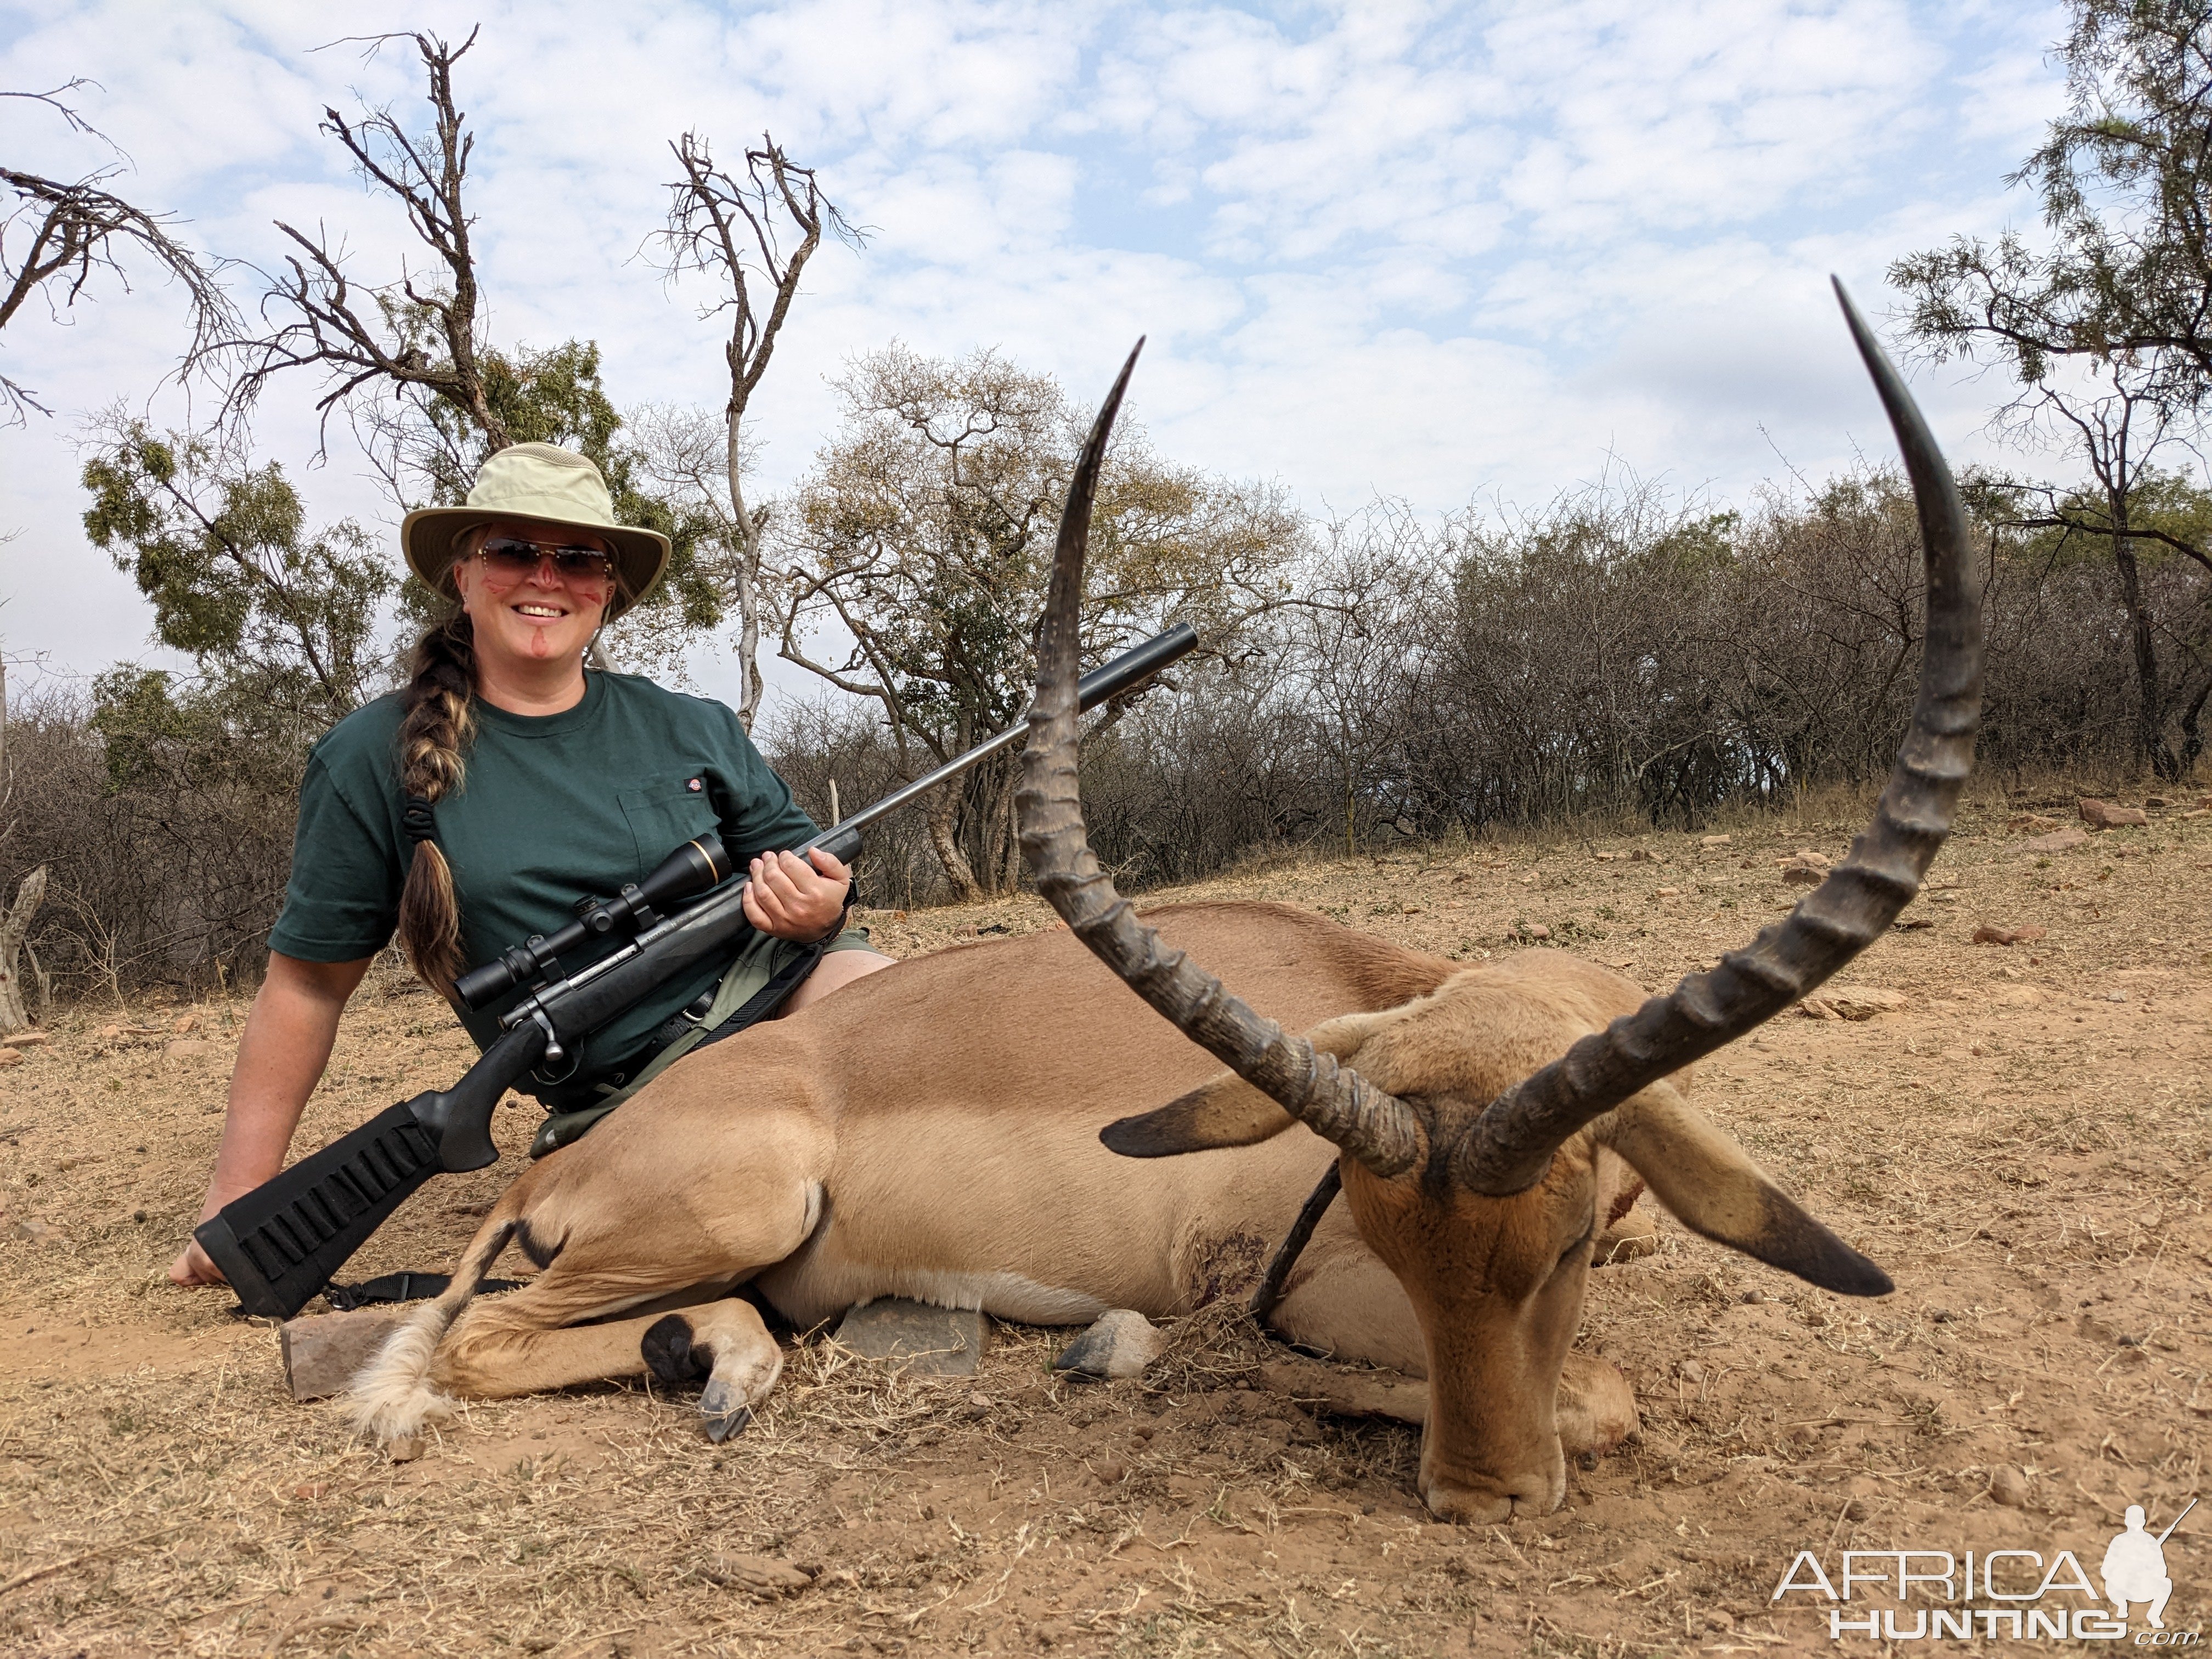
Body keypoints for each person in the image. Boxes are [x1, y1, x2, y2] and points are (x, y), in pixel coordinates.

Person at [170, 443, 893, 1287]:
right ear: (464, 576)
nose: (546, 578)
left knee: (904, 1021)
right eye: (514, 550)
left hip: (784, 993)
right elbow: (306, 986)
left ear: (608, 590)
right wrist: (238, 1200)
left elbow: (812, 870)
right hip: (631, 1087)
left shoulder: (692, 725)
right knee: (764, 1224)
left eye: (579, 558)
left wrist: (818, 910)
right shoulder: (371, 756)